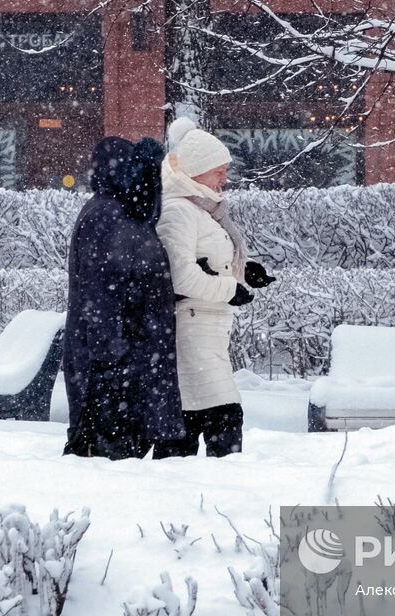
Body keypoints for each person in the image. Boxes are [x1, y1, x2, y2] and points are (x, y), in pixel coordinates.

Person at [154, 118, 275, 458]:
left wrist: (243, 273)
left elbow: (208, 259)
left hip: (208, 326)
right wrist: (229, 289)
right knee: (221, 418)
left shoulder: (203, 209)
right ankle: (214, 491)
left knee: (198, 419)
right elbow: (181, 277)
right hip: (192, 328)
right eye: (219, 171)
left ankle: (198, 489)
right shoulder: (179, 211)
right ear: (197, 171)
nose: (225, 178)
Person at [62, 136, 186, 460]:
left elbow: (126, 281)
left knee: (112, 453)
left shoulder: (115, 212)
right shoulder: (110, 215)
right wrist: (110, 355)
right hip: (114, 362)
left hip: (121, 358)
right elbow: (102, 291)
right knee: (107, 456)